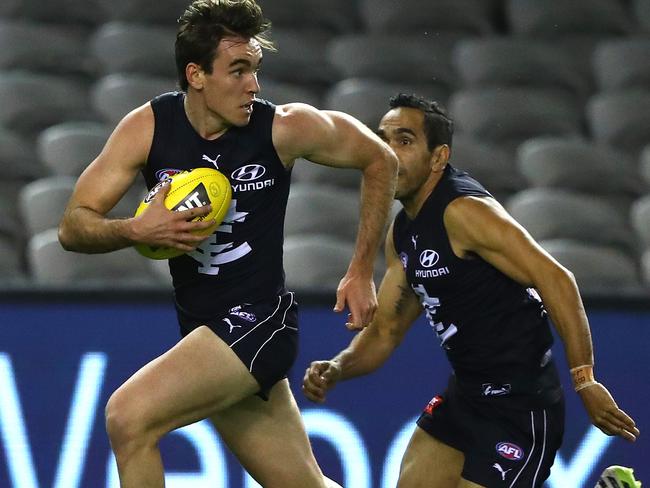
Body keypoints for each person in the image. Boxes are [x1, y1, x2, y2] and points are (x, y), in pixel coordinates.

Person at [58, 1, 398, 486]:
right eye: (237, 71)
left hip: (260, 323)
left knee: (128, 418)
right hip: (205, 330)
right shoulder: (148, 127)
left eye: (255, 70)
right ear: (196, 75)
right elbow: (72, 226)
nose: (253, 85)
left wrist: (362, 269)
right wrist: (134, 230)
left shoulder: (283, 126)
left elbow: (381, 160)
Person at [302, 94, 639, 488]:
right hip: (465, 397)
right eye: (383, 139)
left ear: (438, 158)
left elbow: (557, 278)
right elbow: (386, 331)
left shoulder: (464, 212)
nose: (388, 152)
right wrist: (339, 367)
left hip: (521, 409)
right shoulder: (403, 233)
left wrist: (585, 380)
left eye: (404, 141)